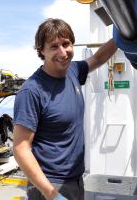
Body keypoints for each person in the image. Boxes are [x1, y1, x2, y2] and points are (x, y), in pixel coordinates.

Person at [13, 18, 117, 200]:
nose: (63, 52)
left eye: (66, 44)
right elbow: (21, 148)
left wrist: (123, 37)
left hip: (75, 180)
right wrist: (51, 194)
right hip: (50, 185)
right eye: (54, 46)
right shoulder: (32, 91)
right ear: (41, 51)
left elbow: (99, 58)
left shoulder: (73, 71)